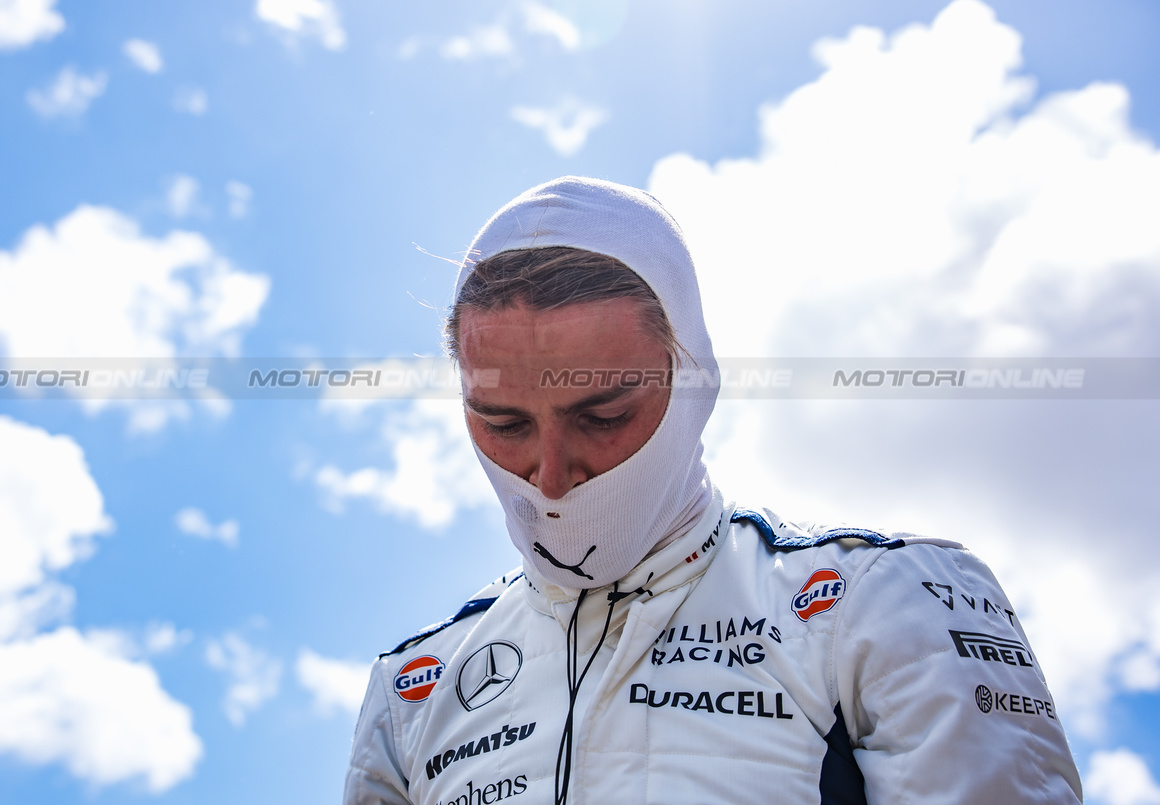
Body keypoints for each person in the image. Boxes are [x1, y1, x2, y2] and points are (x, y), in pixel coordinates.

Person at [343, 177, 1082, 804]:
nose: (552, 471)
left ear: (693, 379)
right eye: (502, 421)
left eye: (603, 415)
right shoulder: (412, 692)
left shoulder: (874, 602)